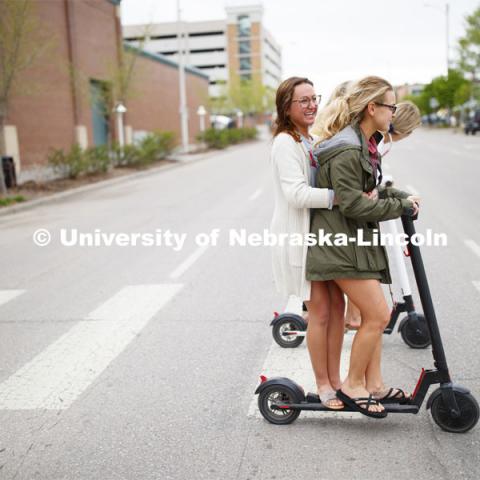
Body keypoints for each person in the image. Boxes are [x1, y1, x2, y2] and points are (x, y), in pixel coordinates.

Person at [308, 76, 420, 417]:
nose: (393, 112)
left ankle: (374, 384)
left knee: (375, 316)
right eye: (390, 106)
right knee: (377, 315)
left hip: (354, 242)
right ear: (372, 108)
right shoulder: (345, 148)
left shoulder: (362, 143)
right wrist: (398, 207)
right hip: (339, 245)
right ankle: (354, 384)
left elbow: (369, 189)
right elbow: (354, 204)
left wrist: (401, 196)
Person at [270, 77, 345, 409]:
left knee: (337, 309)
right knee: (320, 312)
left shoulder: (309, 139)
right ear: (287, 107)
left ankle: (337, 380)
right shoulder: (285, 143)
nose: (312, 104)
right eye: (303, 100)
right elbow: (296, 194)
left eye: (314, 98)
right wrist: (338, 197)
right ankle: (324, 385)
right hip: (300, 237)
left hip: (321, 239)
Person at [344, 100, 422, 330]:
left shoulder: (381, 139)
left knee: (362, 260)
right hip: (357, 207)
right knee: (361, 262)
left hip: (361, 203)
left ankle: (353, 315)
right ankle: (354, 317)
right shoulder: (379, 139)